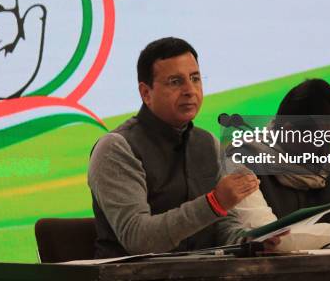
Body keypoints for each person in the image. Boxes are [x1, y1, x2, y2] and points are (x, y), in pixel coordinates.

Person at [88, 37, 277, 258]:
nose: (190, 90)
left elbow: (221, 226)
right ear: (145, 93)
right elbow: (138, 239)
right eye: (175, 82)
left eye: (195, 78)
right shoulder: (117, 148)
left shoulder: (206, 144)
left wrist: (249, 241)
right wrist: (214, 202)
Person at [231, 79, 330, 251]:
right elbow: (267, 237)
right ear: (289, 131)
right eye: (321, 139)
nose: (327, 149)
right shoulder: (243, 161)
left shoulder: (329, 168)